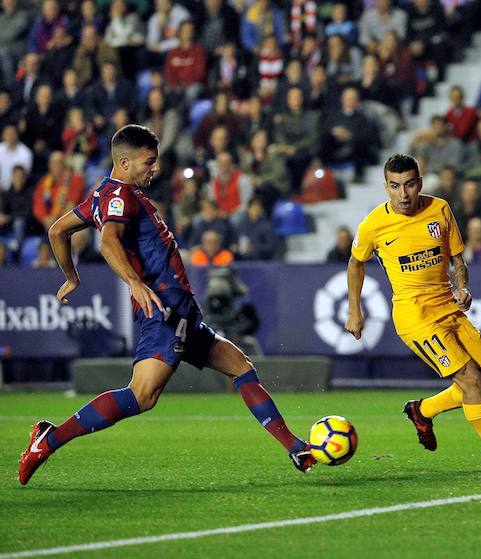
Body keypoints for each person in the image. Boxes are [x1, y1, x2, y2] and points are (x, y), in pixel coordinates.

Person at [18, 125, 316, 486]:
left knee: (241, 367)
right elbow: (108, 242)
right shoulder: (119, 196)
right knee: (142, 395)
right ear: (124, 163)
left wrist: (72, 277)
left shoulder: (104, 194)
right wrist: (134, 282)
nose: (155, 168)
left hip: (182, 310)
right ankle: (47, 441)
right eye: (149, 162)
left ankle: (296, 448)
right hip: (165, 309)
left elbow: (57, 231)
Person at [345, 153, 481, 470]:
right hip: (415, 316)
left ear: (419, 183)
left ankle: (422, 411)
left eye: (409, 185)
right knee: (471, 381)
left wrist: (463, 287)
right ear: (386, 187)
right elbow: (356, 263)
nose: (403, 194)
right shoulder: (374, 225)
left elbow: (458, 260)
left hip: (449, 308)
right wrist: (355, 310)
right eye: (395, 186)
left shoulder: (440, 209)